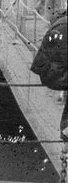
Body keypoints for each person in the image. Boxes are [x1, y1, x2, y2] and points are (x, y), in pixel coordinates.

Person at [31, 9, 67, 142]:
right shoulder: (65, 28)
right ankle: (66, 135)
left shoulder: (61, 23)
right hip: (53, 74)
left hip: (49, 70)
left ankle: (66, 134)